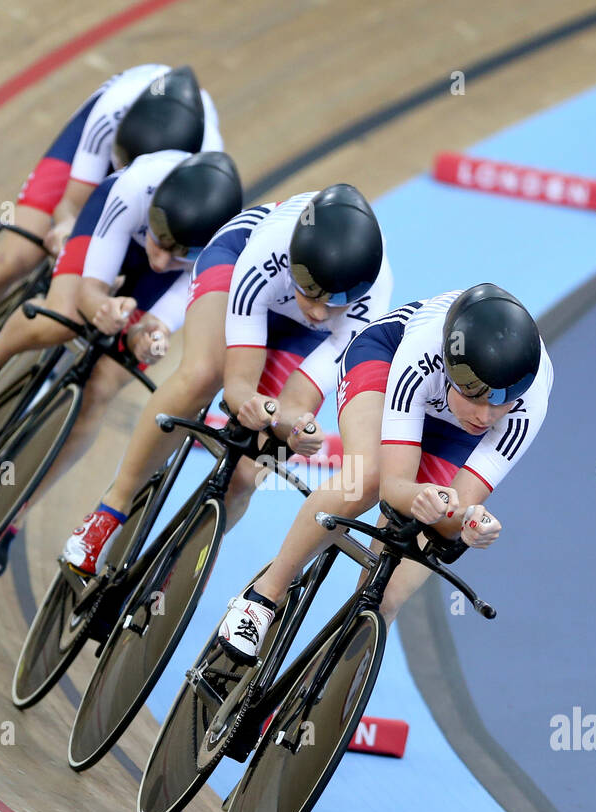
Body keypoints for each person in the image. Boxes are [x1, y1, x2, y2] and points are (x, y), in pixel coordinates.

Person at [59, 183, 395, 575]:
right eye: (313, 293)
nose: (321, 312)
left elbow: (298, 400)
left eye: (335, 301)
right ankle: (110, 510)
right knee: (203, 374)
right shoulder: (270, 250)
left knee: (253, 469)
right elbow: (238, 387)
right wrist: (249, 402)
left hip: (307, 341)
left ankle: (180, 571)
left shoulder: (370, 297)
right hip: (236, 266)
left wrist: (296, 426)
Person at [0, 148, 244, 577]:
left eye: (179, 251)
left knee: (103, 387)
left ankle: (13, 519)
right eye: (161, 240)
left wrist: (147, 338)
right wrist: (99, 306)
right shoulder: (135, 189)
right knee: (62, 320)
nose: (161, 257)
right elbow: (90, 289)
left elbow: (159, 325)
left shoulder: (219, 257)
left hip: (167, 284)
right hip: (115, 227)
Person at [213, 283, 554, 661]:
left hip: (453, 435)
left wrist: (469, 521)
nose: (485, 416)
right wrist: (418, 496)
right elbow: (394, 487)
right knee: (367, 477)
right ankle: (264, 595)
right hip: (384, 362)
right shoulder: (424, 352)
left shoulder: (530, 401)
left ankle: (324, 694)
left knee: (388, 595)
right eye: (475, 397)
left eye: (500, 404)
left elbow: (454, 514)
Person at [0, 64, 222, 403]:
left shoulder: (200, 182)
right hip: (103, 159)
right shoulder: (114, 111)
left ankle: (49, 372)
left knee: (104, 351)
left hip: (153, 204)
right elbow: (71, 202)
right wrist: (67, 226)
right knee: (17, 255)